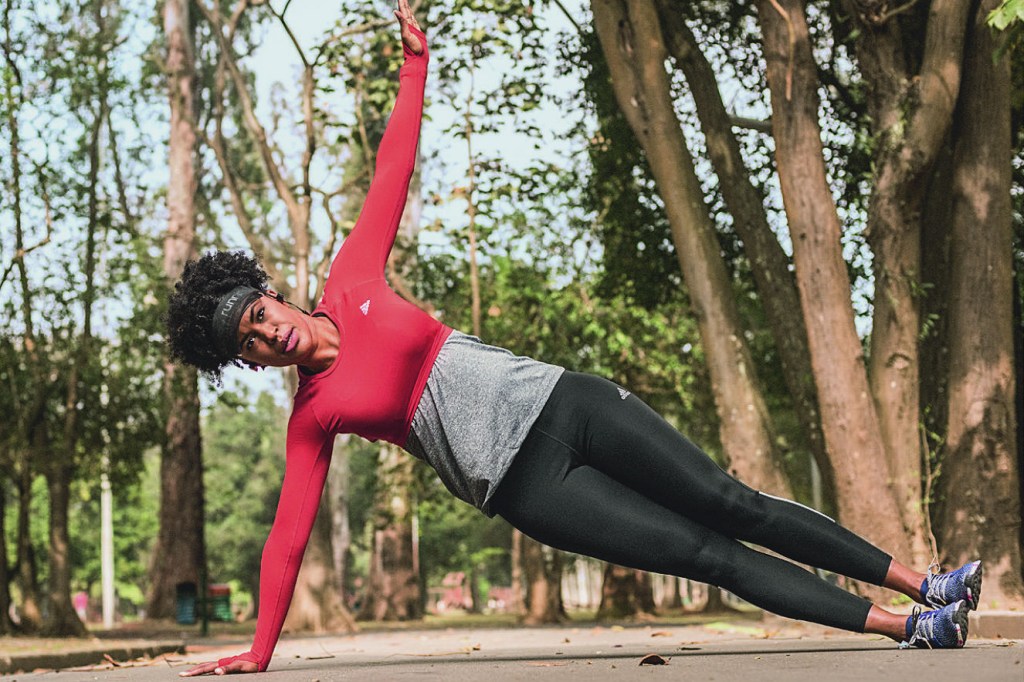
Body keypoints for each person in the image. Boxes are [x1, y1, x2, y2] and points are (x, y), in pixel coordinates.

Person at [173, 2, 981, 675]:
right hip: (527, 486)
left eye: (257, 313)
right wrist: (258, 651)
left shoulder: (351, 280)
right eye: (250, 343)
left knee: (733, 503)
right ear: (247, 362)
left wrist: (414, 63)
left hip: (564, 402)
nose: (268, 334)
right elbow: (288, 534)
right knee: (705, 554)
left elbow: (394, 165)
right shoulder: (314, 416)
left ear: (269, 292)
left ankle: (928, 583)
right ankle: (909, 628)